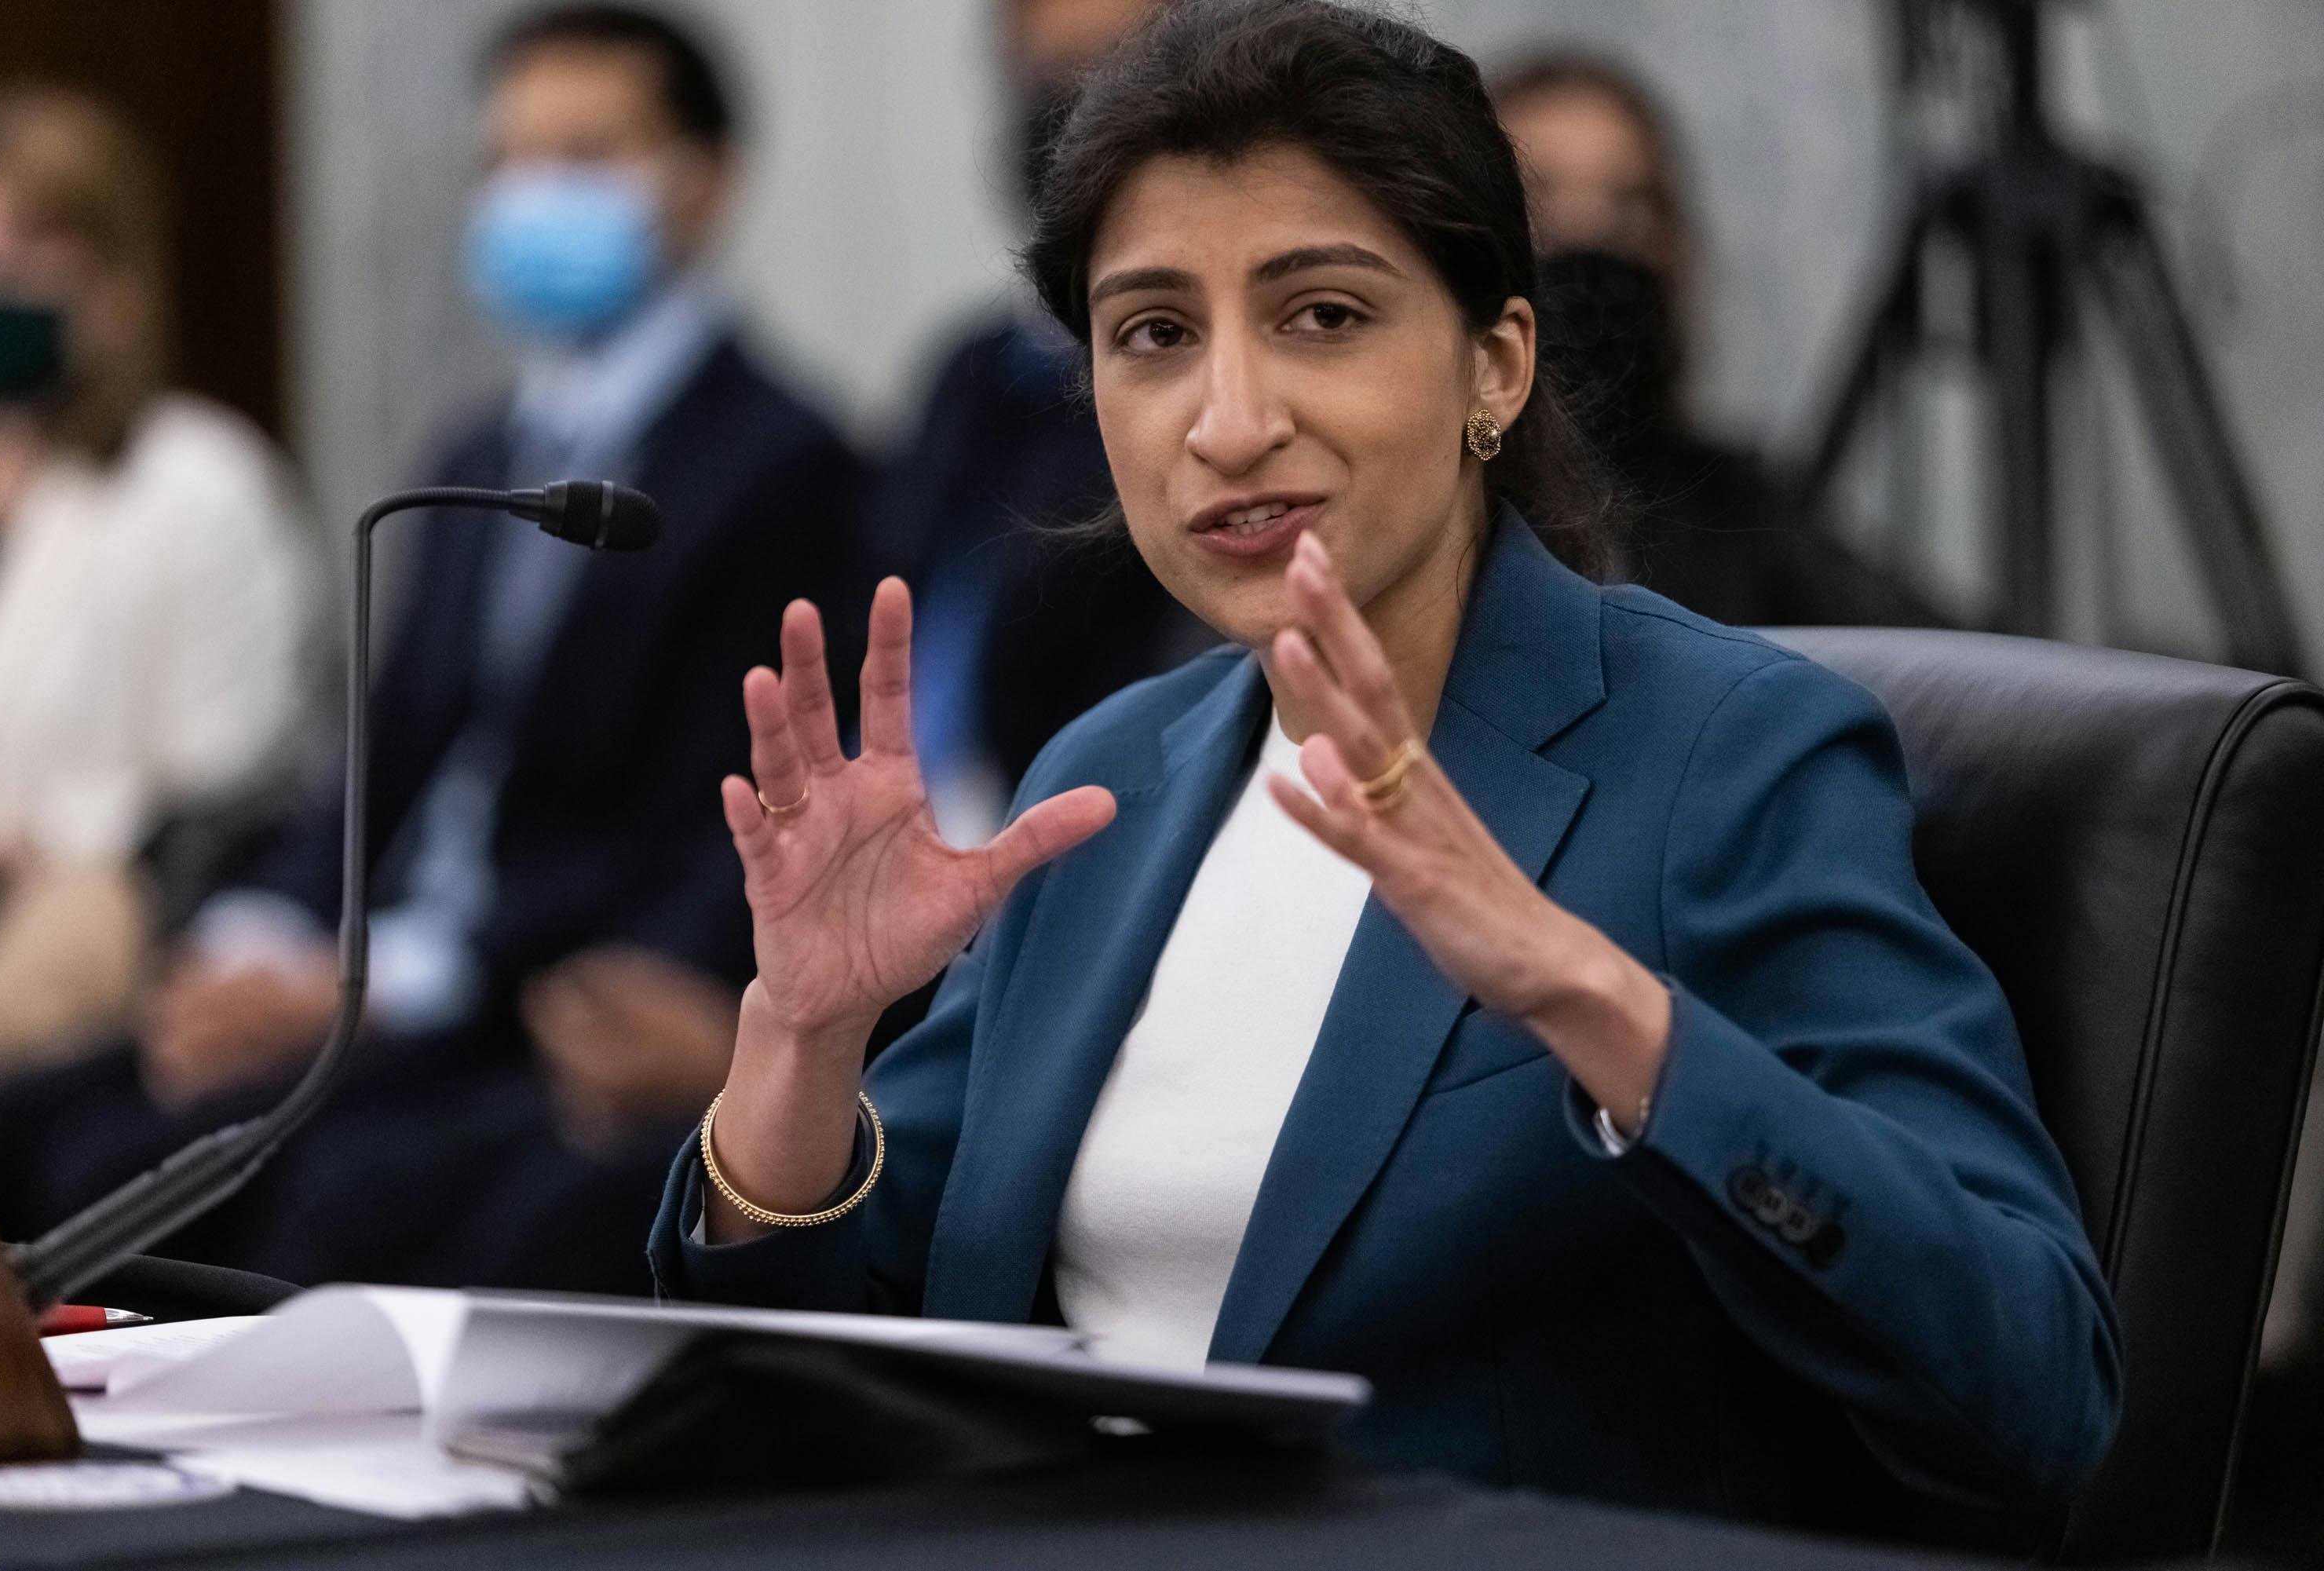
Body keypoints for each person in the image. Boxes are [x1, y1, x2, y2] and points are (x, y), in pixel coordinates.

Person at [652, 0, 2120, 1544]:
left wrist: (1585, 993)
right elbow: (830, 1338)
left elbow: (2036, 1395)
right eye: (1154, 334)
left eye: (1323, 316)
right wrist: (802, 1047)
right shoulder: (1107, 777)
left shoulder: (1728, 752)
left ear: (1495, 366)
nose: (1228, 422)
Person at [0, 4, 861, 1294]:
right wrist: (258, 933)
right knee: (13, 1134)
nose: (530, 192)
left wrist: (371, 985)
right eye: (507, 160)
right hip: (364, 975)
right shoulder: (474, 458)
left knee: (253, 1191)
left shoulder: (782, 463)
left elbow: (705, 825)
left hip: (517, 1003)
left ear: (704, 180)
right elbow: (376, 767)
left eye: (583, 153)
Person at [0, 89, 319, 1076]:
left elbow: (233, 782)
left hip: (109, 921)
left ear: (112, 280)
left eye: (11, 264)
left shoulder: (198, 482)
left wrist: (19, 841)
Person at [873, 0, 1207, 844]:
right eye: (1045, 78)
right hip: (900, 866)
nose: (1072, 107)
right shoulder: (968, 374)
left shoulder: (1221, 390)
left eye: (1113, 66)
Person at [1492, 51, 1939, 629]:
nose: (1589, 236)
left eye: (1629, 206)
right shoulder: (1442, 500)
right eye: (1538, 202)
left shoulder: (1730, 510)